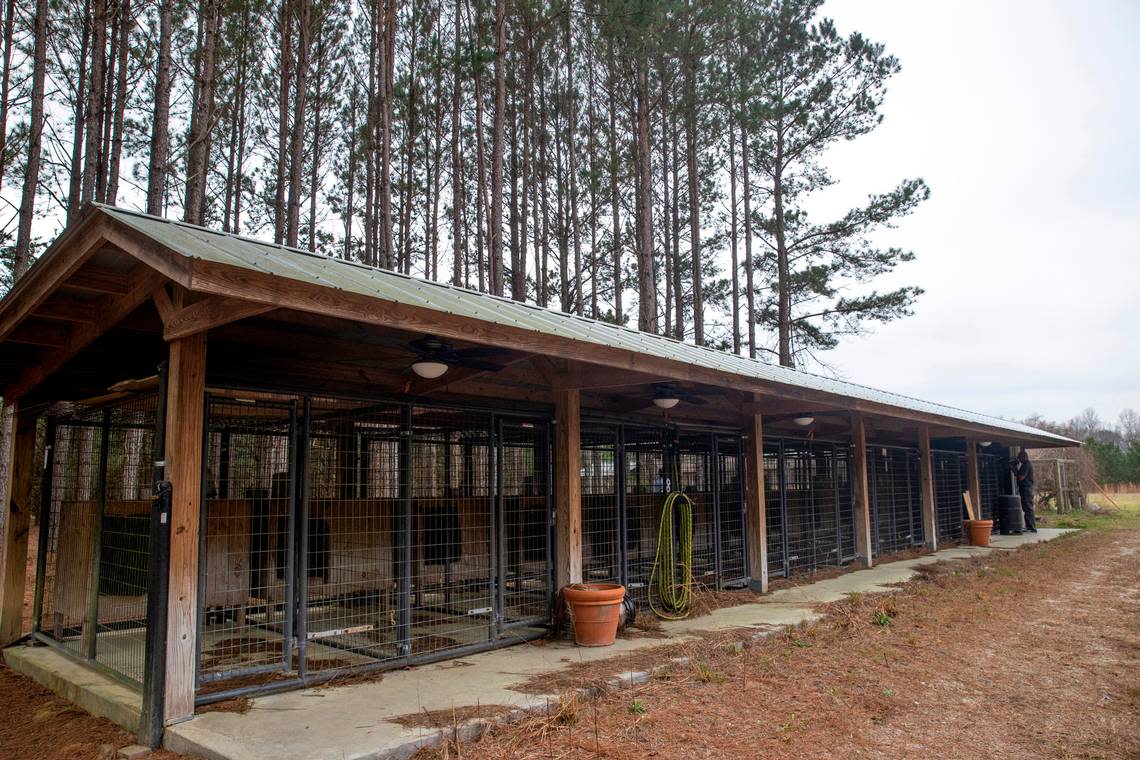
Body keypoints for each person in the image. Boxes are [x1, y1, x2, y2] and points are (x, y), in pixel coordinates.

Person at [1011, 451, 1037, 533]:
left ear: (1024, 457)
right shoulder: (1026, 464)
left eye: (1019, 457)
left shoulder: (1026, 465)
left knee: (1028, 508)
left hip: (1026, 489)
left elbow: (1021, 477)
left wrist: (1014, 469)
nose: (1019, 459)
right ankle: (1030, 526)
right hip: (1026, 489)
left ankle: (1031, 527)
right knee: (1027, 508)